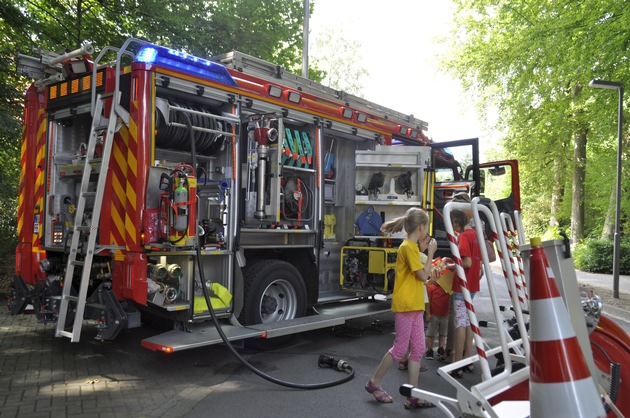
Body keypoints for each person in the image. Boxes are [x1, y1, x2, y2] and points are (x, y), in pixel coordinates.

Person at [365, 207, 437, 409]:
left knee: (418, 349)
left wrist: (431, 278)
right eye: (427, 227)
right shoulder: (407, 247)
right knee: (399, 349)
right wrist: (430, 253)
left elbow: (421, 279)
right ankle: (374, 383)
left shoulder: (412, 248)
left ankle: (412, 395)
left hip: (414, 306)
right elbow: (422, 276)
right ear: (421, 227)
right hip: (406, 306)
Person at [449, 208, 482, 378]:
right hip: (474, 284)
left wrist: (450, 266)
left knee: (460, 323)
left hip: (463, 285)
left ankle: (457, 364)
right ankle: (468, 359)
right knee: (468, 321)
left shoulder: (463, 236)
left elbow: (466, 262)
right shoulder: (475, 234)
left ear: (456, 222)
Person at [425, 268, 451, 361]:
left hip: (445, 314)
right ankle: (429, 349)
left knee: (443, 333)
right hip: (434, 314)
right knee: (431, 333)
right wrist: (428, 313)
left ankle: (441, 348)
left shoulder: (447, 287)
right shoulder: (431, 287)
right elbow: (428, 300)